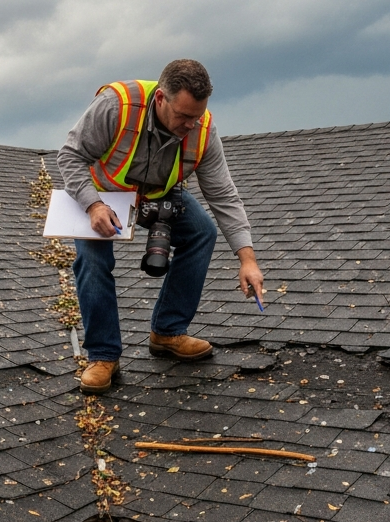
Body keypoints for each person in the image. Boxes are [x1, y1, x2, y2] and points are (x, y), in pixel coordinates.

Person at [57, 58, 264, 393]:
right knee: (93, 260)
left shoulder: (202, 130)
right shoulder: (116, 106)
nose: (189, 125)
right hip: (103, 195)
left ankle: (167, 332)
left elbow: (223, 195)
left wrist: (248, 259)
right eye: (182, 116)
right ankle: (104, 355)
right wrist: (93, 205)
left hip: (157, 193)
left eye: (195, 116)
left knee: (202, 232)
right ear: (160, 100)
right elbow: (70, 156)